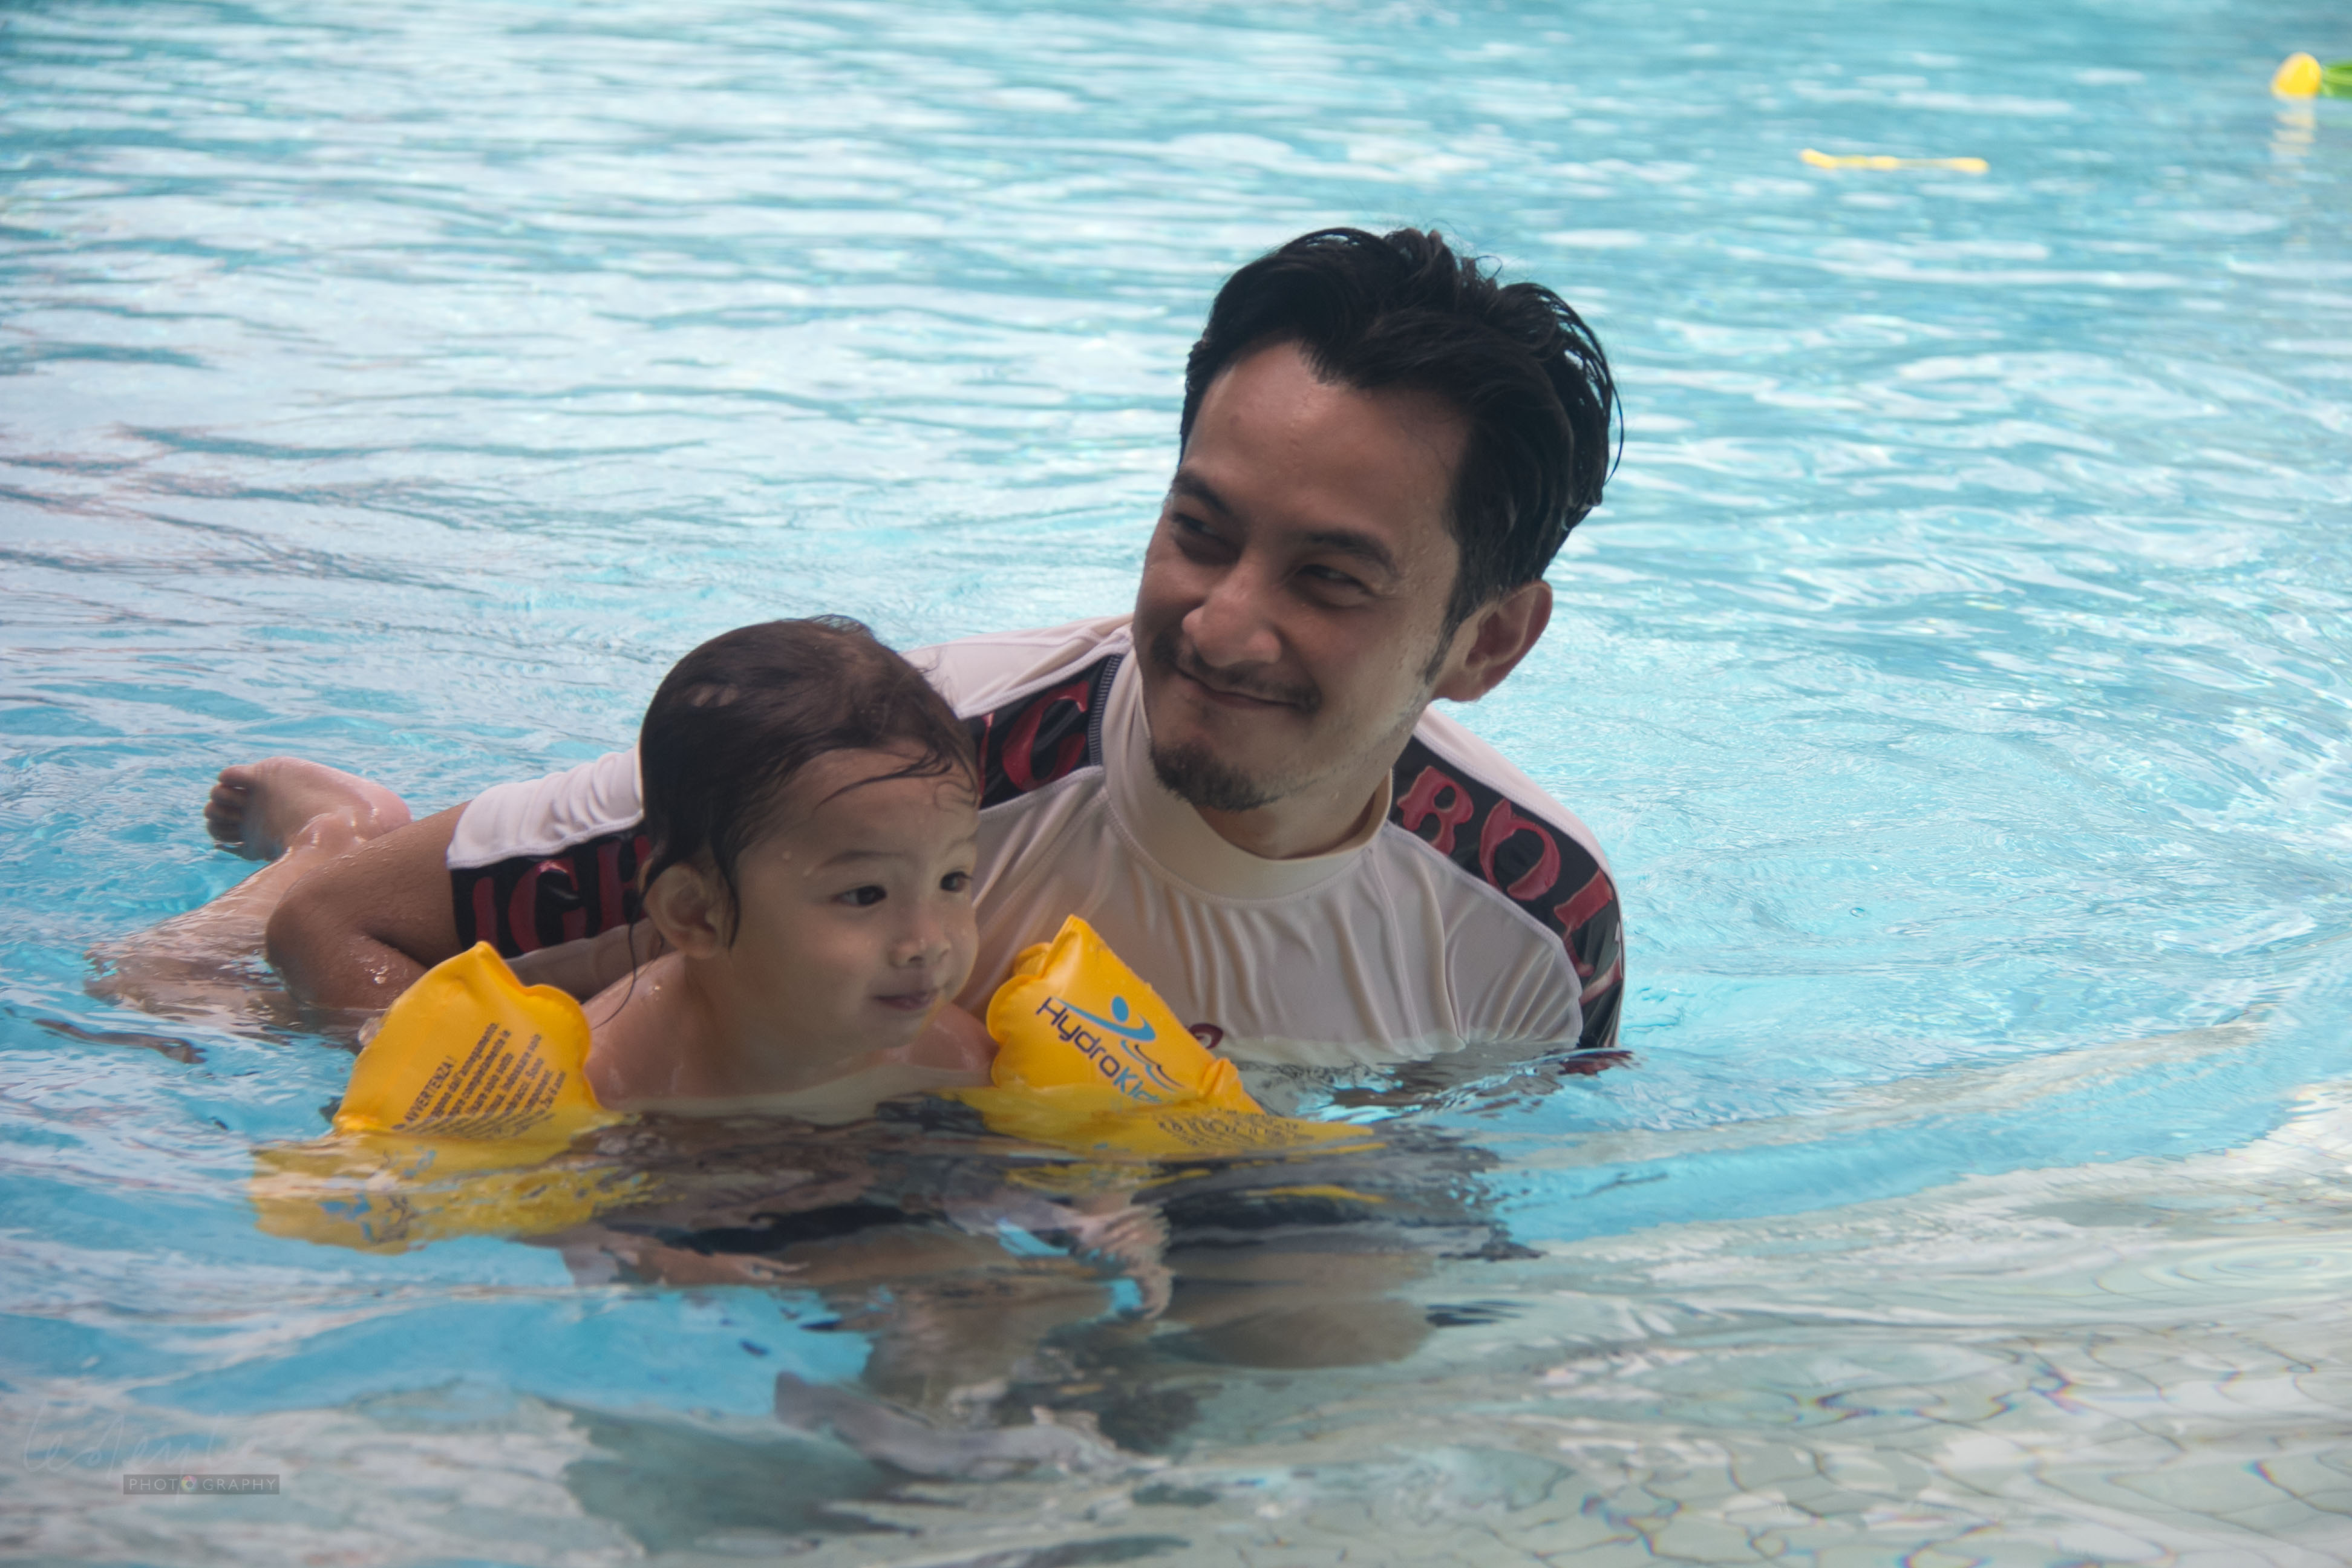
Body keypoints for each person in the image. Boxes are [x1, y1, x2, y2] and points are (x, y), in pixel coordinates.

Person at [166, 225, 1628, 1067]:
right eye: (1199, 529)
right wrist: (503, 1122)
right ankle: (333, 816)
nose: (1222, 620)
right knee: (164, 989)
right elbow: (336, 927)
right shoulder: (892, 773)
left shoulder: (1535, 934)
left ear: (1487, 641)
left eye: (1328, 579)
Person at [572, 616, 995, 1116]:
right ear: (697, 914)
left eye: (952, 880)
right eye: (865, 894)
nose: (929, 943)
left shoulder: (953, 1059)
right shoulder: (598, 1087)